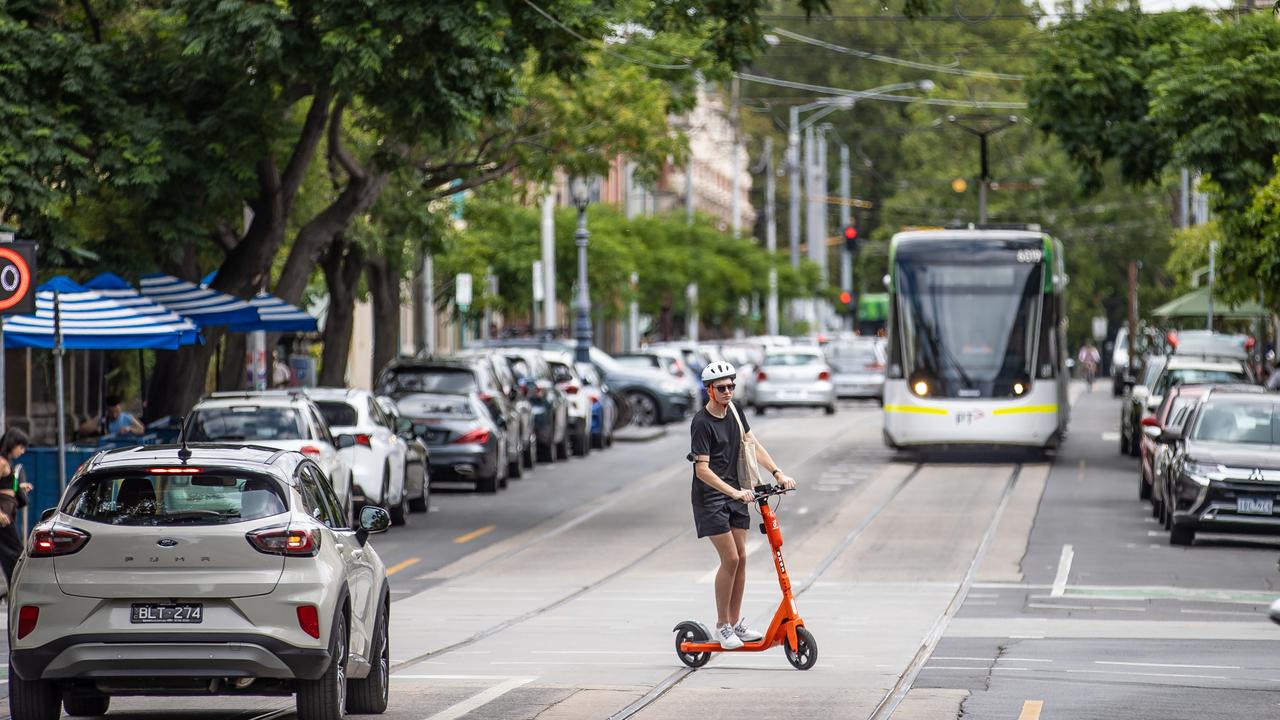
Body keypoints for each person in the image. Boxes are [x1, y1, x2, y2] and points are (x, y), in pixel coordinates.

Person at [689, 360, 796, 649]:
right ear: (709, 390)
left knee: (743, 558)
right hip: (711, 497)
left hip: (738, 493)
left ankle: (735, 623)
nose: (728, 391)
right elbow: (702, 470)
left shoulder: (735, 411)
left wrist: (777, 472)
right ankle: (722, 626)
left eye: (731, 386)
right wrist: (733, 493)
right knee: (731, 559)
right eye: (722, 387)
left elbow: (752, 443)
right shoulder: (701, 422)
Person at [0, 428, 32, 583]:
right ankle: (16, 587)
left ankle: (14, 586)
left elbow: (6, 486)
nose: (23, 451)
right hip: (3, 515)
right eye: (21, 446)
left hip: (7, 512)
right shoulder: (1, 463)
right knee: (15, 552)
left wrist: (20, 487)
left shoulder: (7, 463)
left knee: (11, 553)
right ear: (13, 444)